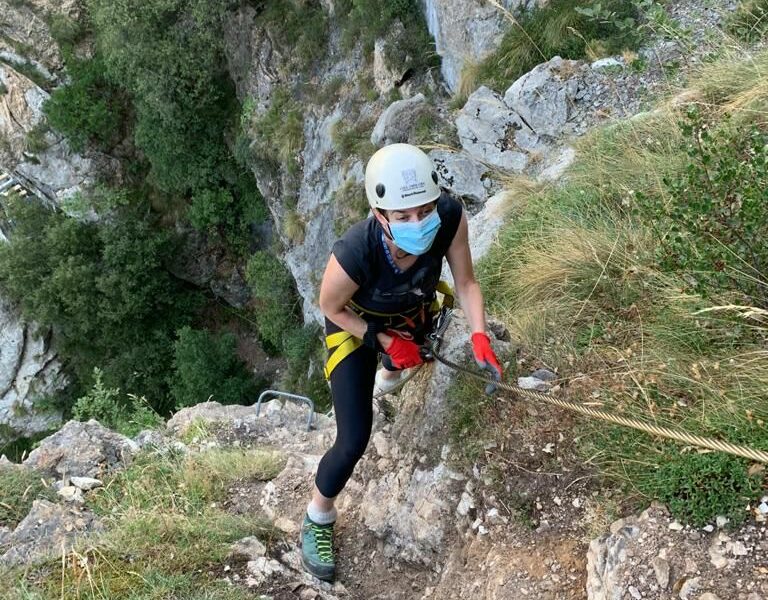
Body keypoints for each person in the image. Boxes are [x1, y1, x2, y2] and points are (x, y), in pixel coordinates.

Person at [299, 143, 503, 581]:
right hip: (358, 327)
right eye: (403, 216)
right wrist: (384, 340)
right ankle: (318, 516)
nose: (418, 222)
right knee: (353, 439)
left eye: (424, 209)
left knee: (411, 359)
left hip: (412, 312)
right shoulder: (356, 251)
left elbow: (465, 283)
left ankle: (389, 378)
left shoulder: (448, 217)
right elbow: (331, 308)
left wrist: (480, 335)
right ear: (380, 215)